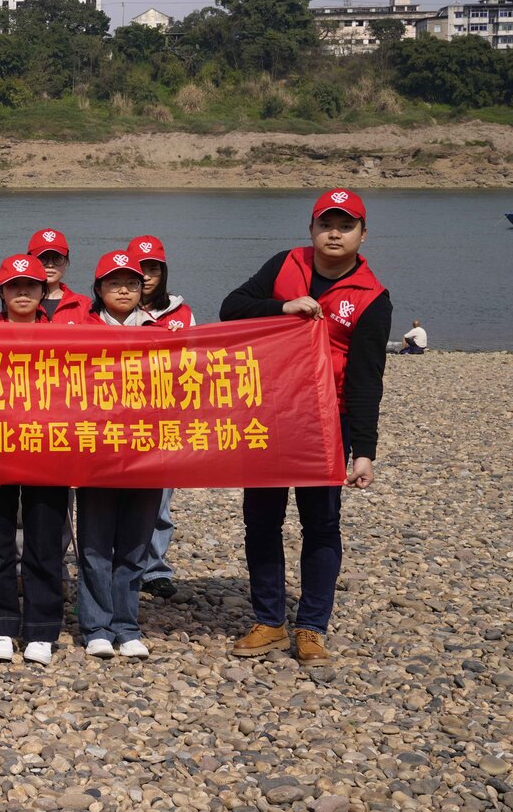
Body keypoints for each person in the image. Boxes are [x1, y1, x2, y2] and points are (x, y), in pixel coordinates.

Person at [222, 188, 390, 669]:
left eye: (346, 225)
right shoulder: (284, 264)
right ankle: (269, 620)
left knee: (321, 522)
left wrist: (364, 450)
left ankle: (312, 627)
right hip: (269, 412)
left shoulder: (372, 297)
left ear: (362, 233)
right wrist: (281, 307)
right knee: (261, 518)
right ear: (312, 228)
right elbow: (231, 307)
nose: (334, 233)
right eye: (325, 223)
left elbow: (366, 379)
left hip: (325, 420)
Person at [0, 255, 67, 666]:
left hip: (49, 450)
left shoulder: (66, 338)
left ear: (43, 292)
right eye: (15, 286)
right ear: (2, 292)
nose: (23, 293)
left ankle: (42, 630)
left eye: (31, 286)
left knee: (44, 545)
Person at [73, 250, 162, 660]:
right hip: (97, 451)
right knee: (94, 545)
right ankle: (95, 626)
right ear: (98, 289)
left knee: (134, 546)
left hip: (146, 452)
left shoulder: (162, 331)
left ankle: (127, 626)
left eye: (130, 282)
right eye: (113, 282)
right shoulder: (80, 331)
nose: (123, 289)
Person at [130, 235, 193, 600]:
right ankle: (119, 563)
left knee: (161, 500)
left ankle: (155, 569)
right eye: (141, 269)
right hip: (122, 416)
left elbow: (196, 359)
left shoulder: (182, 313)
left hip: (165, 414)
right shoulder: (111, 310)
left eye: (153, 268)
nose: (148, 276)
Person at [27, 228, 92, 322]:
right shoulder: (19, 302)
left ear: (66, 262)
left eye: (57, 259)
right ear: (29, 261)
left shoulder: (82, 305)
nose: (50, 264)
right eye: (43, 258)